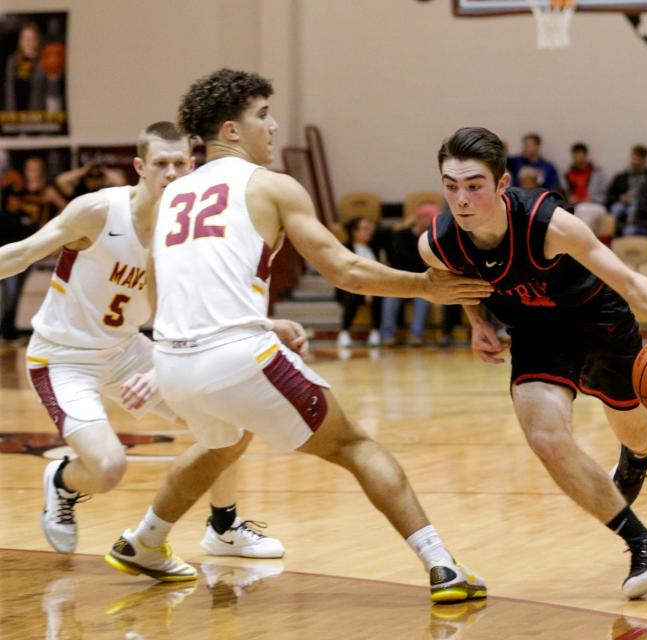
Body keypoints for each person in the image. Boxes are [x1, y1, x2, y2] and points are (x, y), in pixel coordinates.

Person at [106, 69, 491, 603]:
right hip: (234, 358)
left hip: (172, 362)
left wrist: (254, 323)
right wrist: (426, 286)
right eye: (262, 114)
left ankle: (143, 541)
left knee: (224, 441)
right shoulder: (270, 185)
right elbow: (343, 270)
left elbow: (158, 286)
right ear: (231, 130)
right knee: (356, 445)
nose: (274, 125)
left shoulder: (169, 197)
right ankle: (443, 567)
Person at [420, 127, 647, 599]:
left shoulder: (549, 224)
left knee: (635, 427)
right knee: (545, 437)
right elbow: (453, 280)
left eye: (473, 186)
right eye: (450, 186)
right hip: (537, 335)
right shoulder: (439, 243)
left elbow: (628, 281)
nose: (461, 200)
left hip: (598, 320)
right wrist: (476, 321)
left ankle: (637, 459)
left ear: (502, 183)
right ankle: (645, 544)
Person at [0, 121, 284, 560]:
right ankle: (62, 481)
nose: (171, 173)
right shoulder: (97, 211)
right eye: (161, 164)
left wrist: (158, 368)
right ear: (140, 167)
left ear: (193, 167)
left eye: (179, 164)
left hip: (126, 350)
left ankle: (223, 526)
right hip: (63, 358)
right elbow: (20, 253)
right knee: (109, 469)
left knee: (229, 424)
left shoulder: (189, 229)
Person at [0, 156, 67, 341]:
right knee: (9, 292)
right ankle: (6, 331)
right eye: (30, 169)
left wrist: (50, 229)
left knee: (14, 293)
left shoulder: (47, 191)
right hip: (11, 247)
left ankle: (8, 330)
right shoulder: (17, 190)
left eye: (36, 169)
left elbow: (67, 208)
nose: (33, 173)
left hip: (30, 246)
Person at [381, 202, 438, 347]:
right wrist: (424, 260)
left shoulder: (433, 238)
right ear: (421, 218)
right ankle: (388, 336)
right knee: (390, 300)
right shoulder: (401, 235)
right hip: (400, 279)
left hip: (421, 281)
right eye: (431, 219)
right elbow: (398, 258)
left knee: (423, 300)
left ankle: (416, 336)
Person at [336, 217, 383, 348]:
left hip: (373, 288)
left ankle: (375, 332)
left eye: (370, 229)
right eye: (365, 229)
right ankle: (344, 332)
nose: (369, 232)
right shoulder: (345, 248)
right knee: (352, 294)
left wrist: (370, 289)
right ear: (354, 231)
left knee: (381, 294)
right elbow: (347, 273)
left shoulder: (374, 248)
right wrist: (365, 289)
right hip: (351, 287)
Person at [606, 145, 647, 237]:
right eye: (635, 157)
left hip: (640, 204)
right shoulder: (621, 177)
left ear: (645, 160)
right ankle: (611, 233)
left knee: (634, 208)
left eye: (639, 158)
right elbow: (609, 196)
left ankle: (629, 224)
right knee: (616, 208)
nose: (636, 161)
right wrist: (619, 197)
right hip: (623, 203)